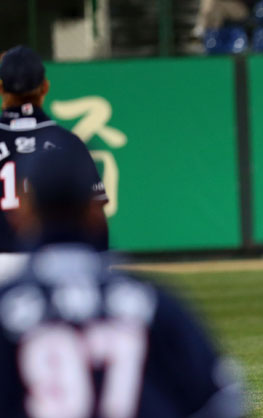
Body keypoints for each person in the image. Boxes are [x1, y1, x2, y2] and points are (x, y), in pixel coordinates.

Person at [0, 147, 248, 417]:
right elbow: (221, 402)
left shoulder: (6, 307)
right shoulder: (154, 303)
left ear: (22, 210)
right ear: (95, 209)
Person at [0, 45, 108, 281]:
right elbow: (96, 214)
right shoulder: (67, 144)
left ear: (0, 88)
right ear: (45, 87)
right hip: (49, 265)